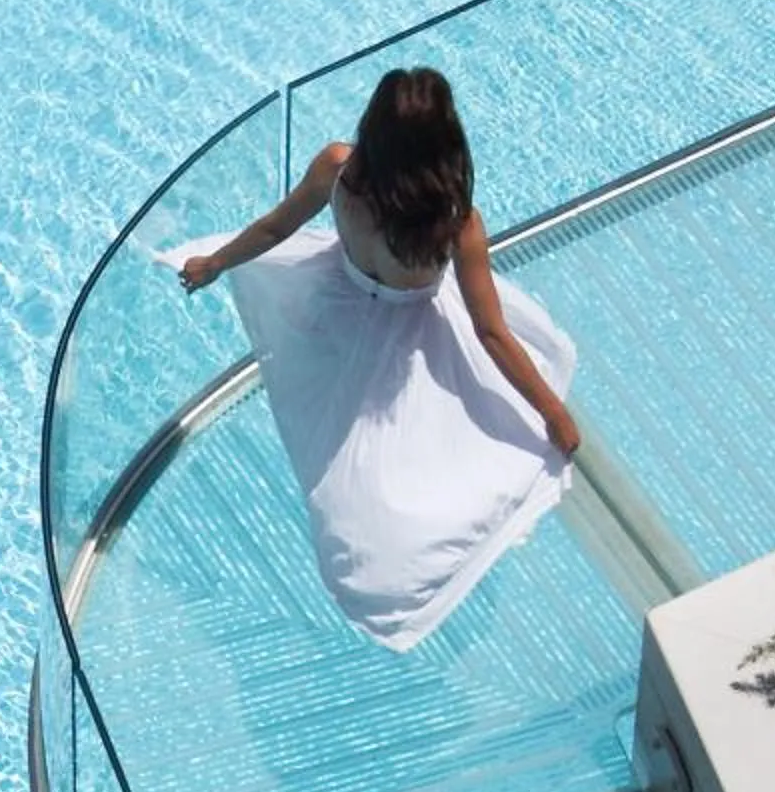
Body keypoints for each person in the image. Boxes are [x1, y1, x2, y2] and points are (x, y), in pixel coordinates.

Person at [170, 67, 580, 651]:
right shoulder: (454, 221)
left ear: (376, 128)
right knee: (409, 465)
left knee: (340, 445)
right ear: (445, 145)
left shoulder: (340, 168)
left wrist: (217, 262)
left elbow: (273, 229)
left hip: (334, 306)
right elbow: (490, 332)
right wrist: (551, 413)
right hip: (407, 336)